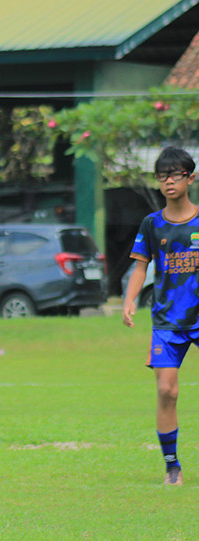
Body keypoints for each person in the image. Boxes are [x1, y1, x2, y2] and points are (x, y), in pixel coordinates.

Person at [123, 145, 199, 487]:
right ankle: (172, 467)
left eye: (175, 175)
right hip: (168, 321)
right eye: (162, 176)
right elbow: (141, 266)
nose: (169, 181)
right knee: (167, 391)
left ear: (190, 178)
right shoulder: (152, 224)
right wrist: (129, 300)